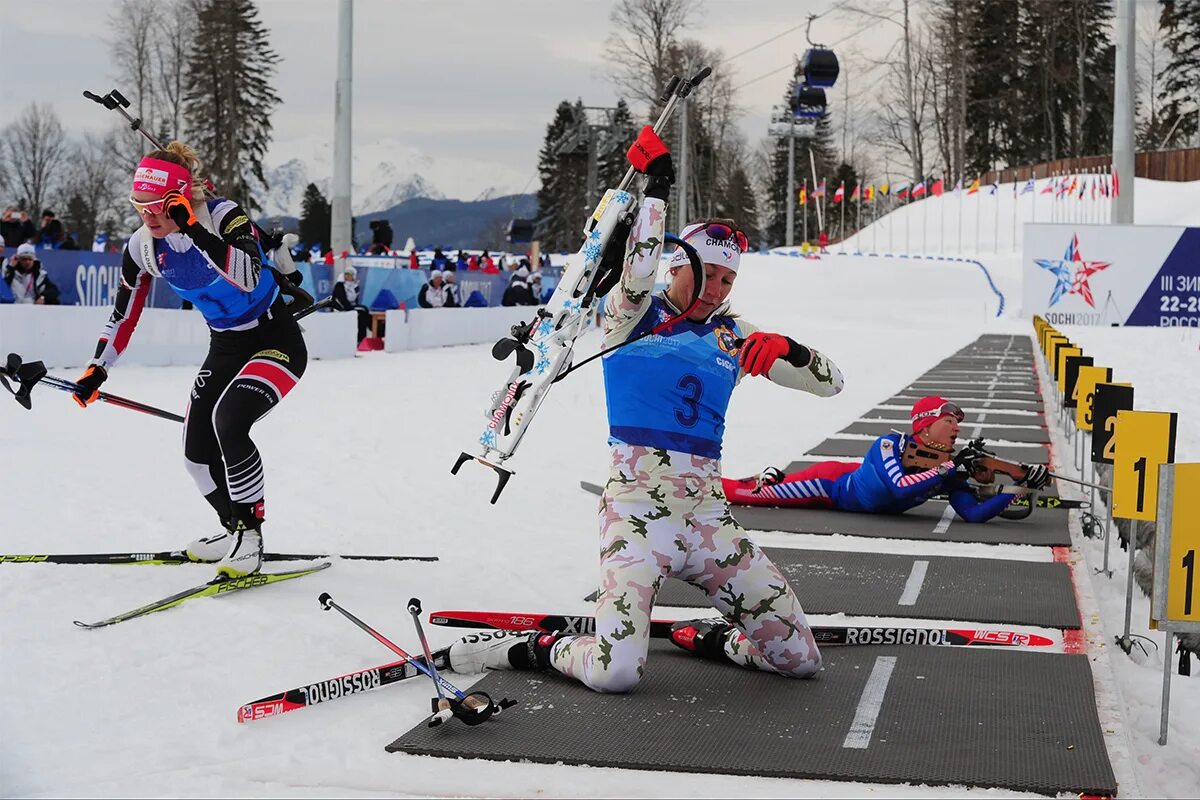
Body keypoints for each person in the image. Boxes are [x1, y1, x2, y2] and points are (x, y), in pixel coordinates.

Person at [449, 126, 845, 692]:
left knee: (800, 661)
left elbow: (831, 385)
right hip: (636, 516)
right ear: (677, 266)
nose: (717, 287)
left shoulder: (736, 336)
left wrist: (793, 350)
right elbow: (637, 267)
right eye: (707, 273)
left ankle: (708, 638)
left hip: (709, 520)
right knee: (616, 674)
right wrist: (656, 188)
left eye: (730, 278)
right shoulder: (631, 314)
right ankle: (535, 649)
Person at [70, 141, 308, 579]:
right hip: (226, 346)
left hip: (277, 339)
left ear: (181, 199)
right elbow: (124, 312)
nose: (149, 216)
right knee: (195, 456)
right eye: (139, 206)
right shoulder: (143, 247)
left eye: (159, 207)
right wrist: (97, 368)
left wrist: (193, 230)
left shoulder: (223, 216)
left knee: (230, 422)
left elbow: (247, 274)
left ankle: (251, 538)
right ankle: (233, 527)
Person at [722, 395, 1051, 522]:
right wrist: (951, 467)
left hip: (855, 487)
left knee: (754, 489)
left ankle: (769, 476)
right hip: (829, 485)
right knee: (746, 494)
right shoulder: (888, 444)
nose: (956, 429)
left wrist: (1018, 490)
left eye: (958, 424)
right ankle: (690, 485)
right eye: (948, 421)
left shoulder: (949, 465)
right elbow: (898, 487)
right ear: (925, 423)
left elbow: (973, 513)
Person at [331, 264, 371, 343]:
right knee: (363, 310)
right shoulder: (340, 285)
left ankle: (363, 338)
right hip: (340, 308)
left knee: (364, 313)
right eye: (346, 274)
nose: (347, 276)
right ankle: (362, 338)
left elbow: (355, 301)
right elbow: (343, 301)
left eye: (350, 275)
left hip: (350, 307)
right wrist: (352, 309)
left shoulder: (355, 286)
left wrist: (354, 308)